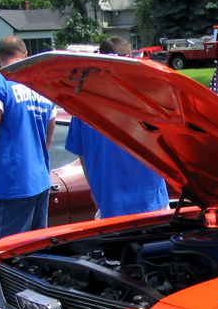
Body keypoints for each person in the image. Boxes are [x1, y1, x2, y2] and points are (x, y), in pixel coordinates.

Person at [0, 36, 57, 245]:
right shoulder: (42, 87)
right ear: (25, 56)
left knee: (3, 256)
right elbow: (48, 139)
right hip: (40, 182)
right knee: (33, 252)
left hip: (12, 185)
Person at [65, 37, 169, 219]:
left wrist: (95, 191)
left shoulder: (83, 101)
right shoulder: (147, 97)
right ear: (129, 57)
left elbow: (82, 154)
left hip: (112, 203)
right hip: (149, 202)